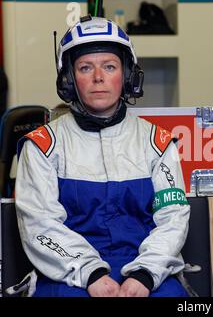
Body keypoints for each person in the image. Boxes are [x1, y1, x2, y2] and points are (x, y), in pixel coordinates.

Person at [14, 16, 191, 297]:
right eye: (86, 68)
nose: (99, 77)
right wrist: (91, 274)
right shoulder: (42, 146)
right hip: (69, 274)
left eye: (110, 66)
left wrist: (145, 275)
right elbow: (40, 226)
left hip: (144, 269)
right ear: (69, 80)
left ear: (128, 76)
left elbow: (173, 220)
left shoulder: (157, 143)